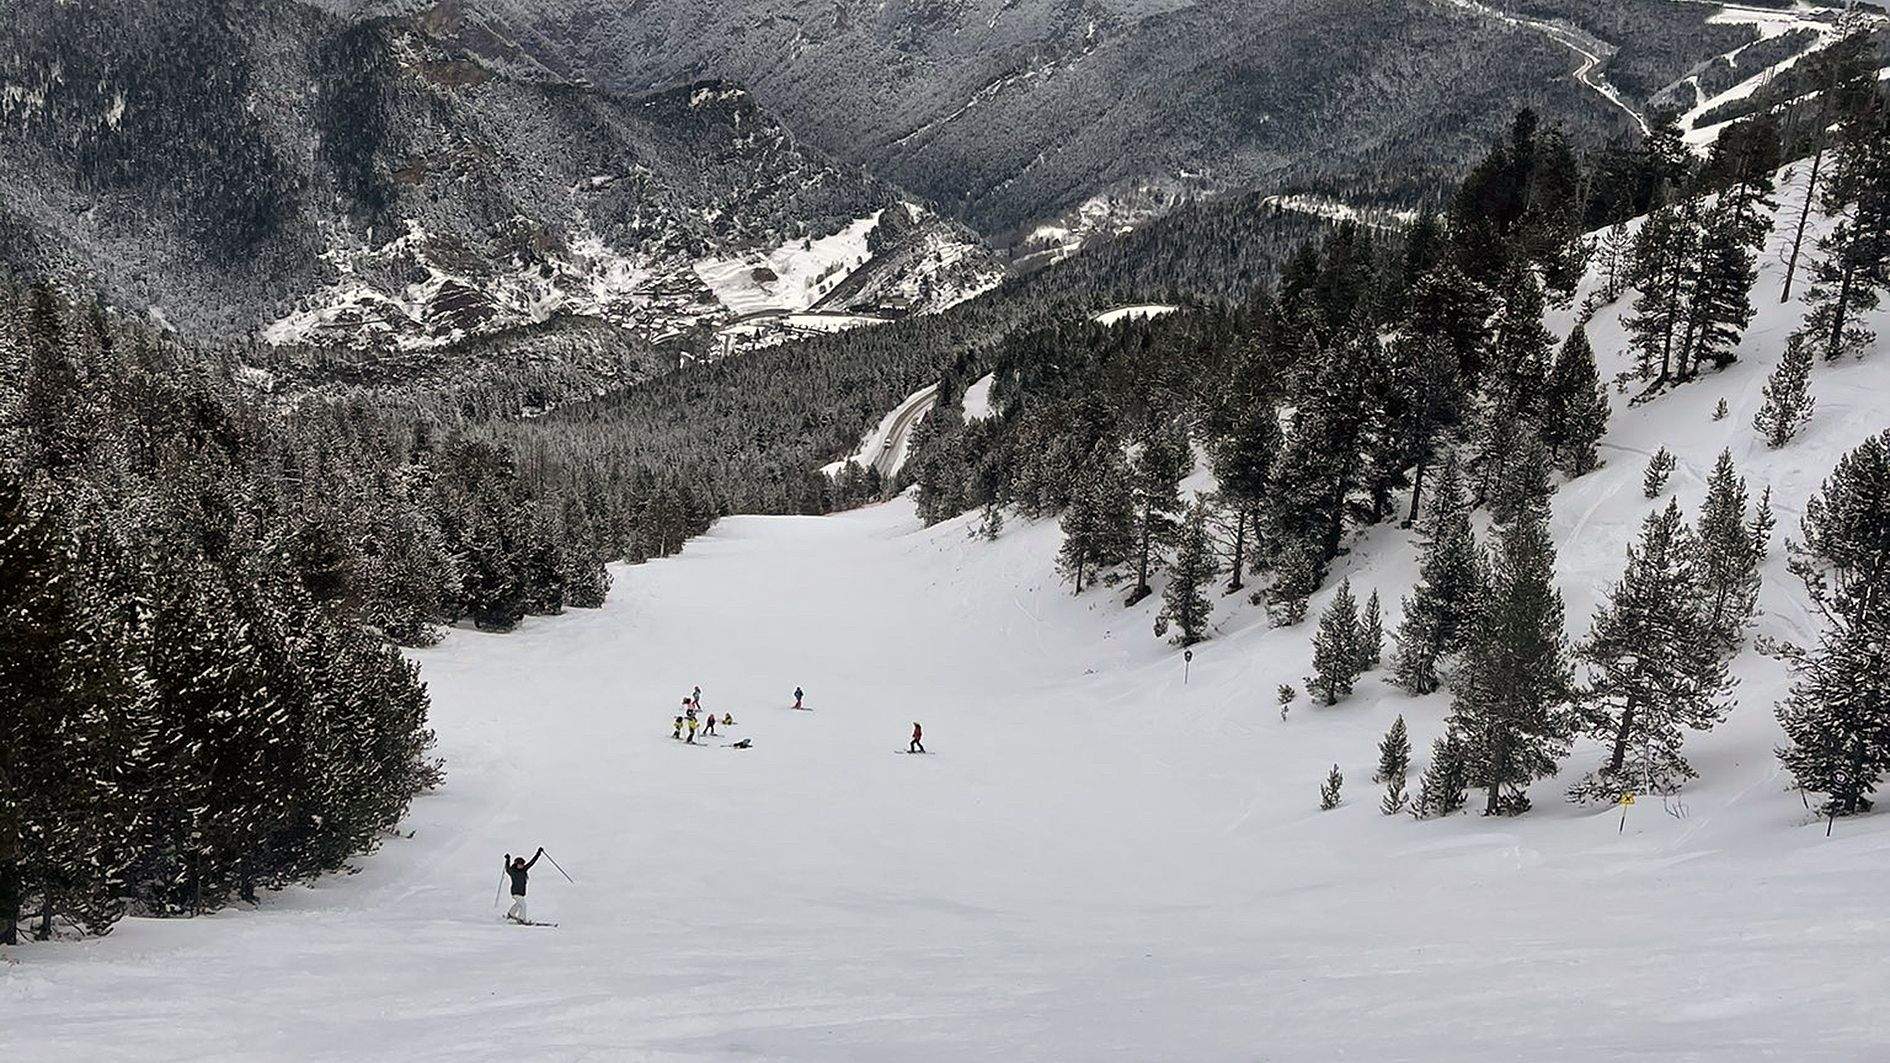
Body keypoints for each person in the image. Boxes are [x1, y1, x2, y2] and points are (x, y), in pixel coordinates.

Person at [503, 848, 542, 923]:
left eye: (522, 864)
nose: (521, 866)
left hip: (521, 892)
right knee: (523, 905)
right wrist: (508, 859)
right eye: (520, 864)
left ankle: (511, 914)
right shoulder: (512, 871)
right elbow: (507, 868)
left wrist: (538, 853)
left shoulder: (524, 870)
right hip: (515, 892)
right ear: (516, 864)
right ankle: (521, 919)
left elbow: (532, 862)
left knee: (519, 904)